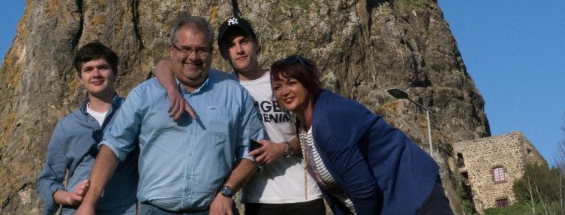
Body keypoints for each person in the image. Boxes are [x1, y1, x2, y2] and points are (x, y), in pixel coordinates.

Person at [78, 15, 266, 215]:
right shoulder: (144, 95)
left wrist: (227, 191)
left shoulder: (235, 94)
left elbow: (252, 150)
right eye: (185, 49)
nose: (193, 57)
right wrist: (89, 203)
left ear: (211, 52)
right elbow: (113, 147)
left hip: (214, 210)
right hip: (156, 210)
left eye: (201, 50)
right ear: (171, 50)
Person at [157, 17, 325, 215]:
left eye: (244, 41)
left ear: (257, 43)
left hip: (304, 194)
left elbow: (315, 132)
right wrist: (172, 90)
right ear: (223, 53)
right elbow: (166, 64)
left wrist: (282, 148)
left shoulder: (282, 82)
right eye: (231, 45)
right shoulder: (222, 85)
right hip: (258, 198)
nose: (239, 50)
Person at [269, 55, 454, 215]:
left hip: (413, 192)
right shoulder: (304, 125)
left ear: (308, 83)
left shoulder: (328, 119)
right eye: (277, 87)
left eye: (292, 83)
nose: (285, 92)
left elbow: (363, 189)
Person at [37, 42, 138, 214]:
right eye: (88, 69)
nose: (96, 74)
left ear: (115, 73)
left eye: (102, 67)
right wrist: (68, 197)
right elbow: (48, 179)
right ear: (80, 78)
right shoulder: (67, 126)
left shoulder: (133, 113)